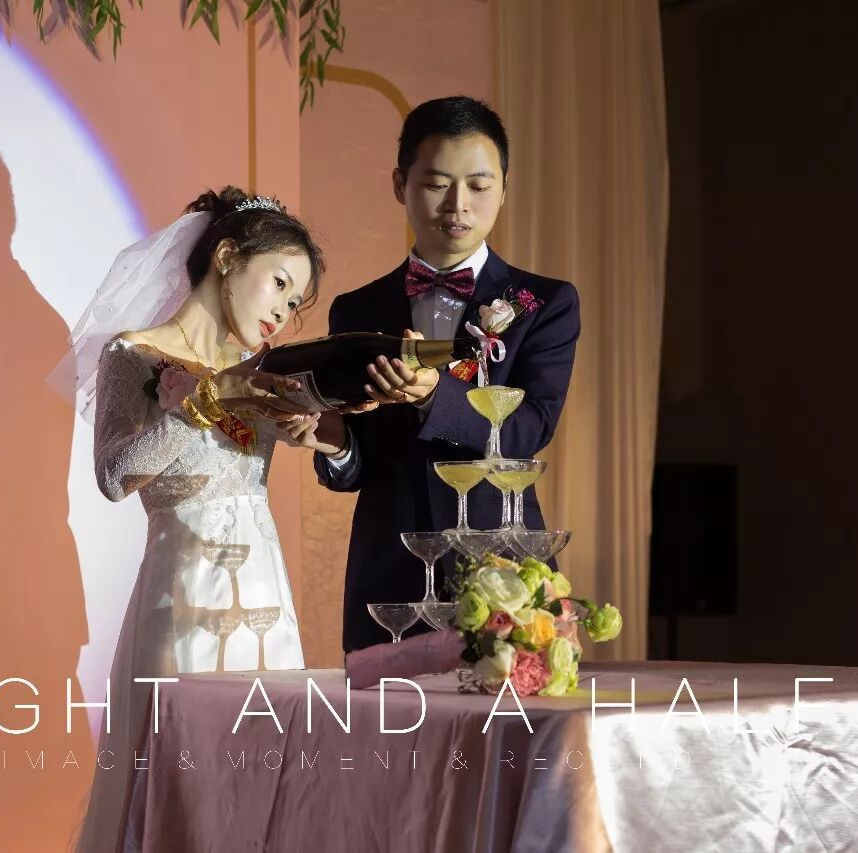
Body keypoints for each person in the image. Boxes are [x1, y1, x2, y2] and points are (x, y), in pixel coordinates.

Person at [63, 186, 324, 852]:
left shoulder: (260, 372)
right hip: (182, 599)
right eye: (280, 284)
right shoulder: (133, 354)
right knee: (181, 785)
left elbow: (310, 436)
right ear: (228, 257)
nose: (284, 311)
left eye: (296, 302)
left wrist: (314, 430)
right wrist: (206, 400)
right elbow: (115, 476)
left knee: (268, 783)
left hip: (265, 598)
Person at [292, 96, 581, 652]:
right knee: (384, 712)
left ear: (504, 188)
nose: (458, 205)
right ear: (400, 184)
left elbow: (528, 430)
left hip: (503, 572)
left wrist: (434, 396)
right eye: (436, 184)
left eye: (478, 185)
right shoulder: (357, 310)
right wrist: (335, 445)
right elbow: (358, 466)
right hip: (390, 572)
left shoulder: (543, 303)